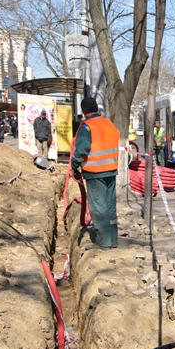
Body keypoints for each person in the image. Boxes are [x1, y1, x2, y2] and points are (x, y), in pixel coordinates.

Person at [71, 95, 121, 250]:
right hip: (111, 171)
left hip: (95, 172)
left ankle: (103, 242)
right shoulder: (108, 123)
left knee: (99, 207)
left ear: (84, 111)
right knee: (110, 206)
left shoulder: (87, 127)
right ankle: (113, 239)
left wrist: (74, 165)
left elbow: (82, 150)